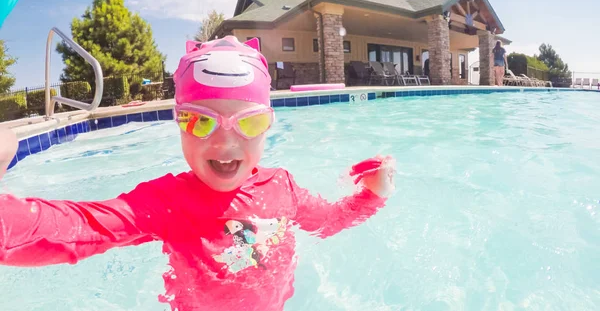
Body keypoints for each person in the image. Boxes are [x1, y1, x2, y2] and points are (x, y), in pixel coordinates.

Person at [0, 36, 396, 311]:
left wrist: (372, 195)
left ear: (270, 123)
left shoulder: (282, 187)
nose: (226, 142)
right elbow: (78, 228)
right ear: (177, 123)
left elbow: (327, 221)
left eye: (250, 122)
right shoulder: (166, 203)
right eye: (199, 121)